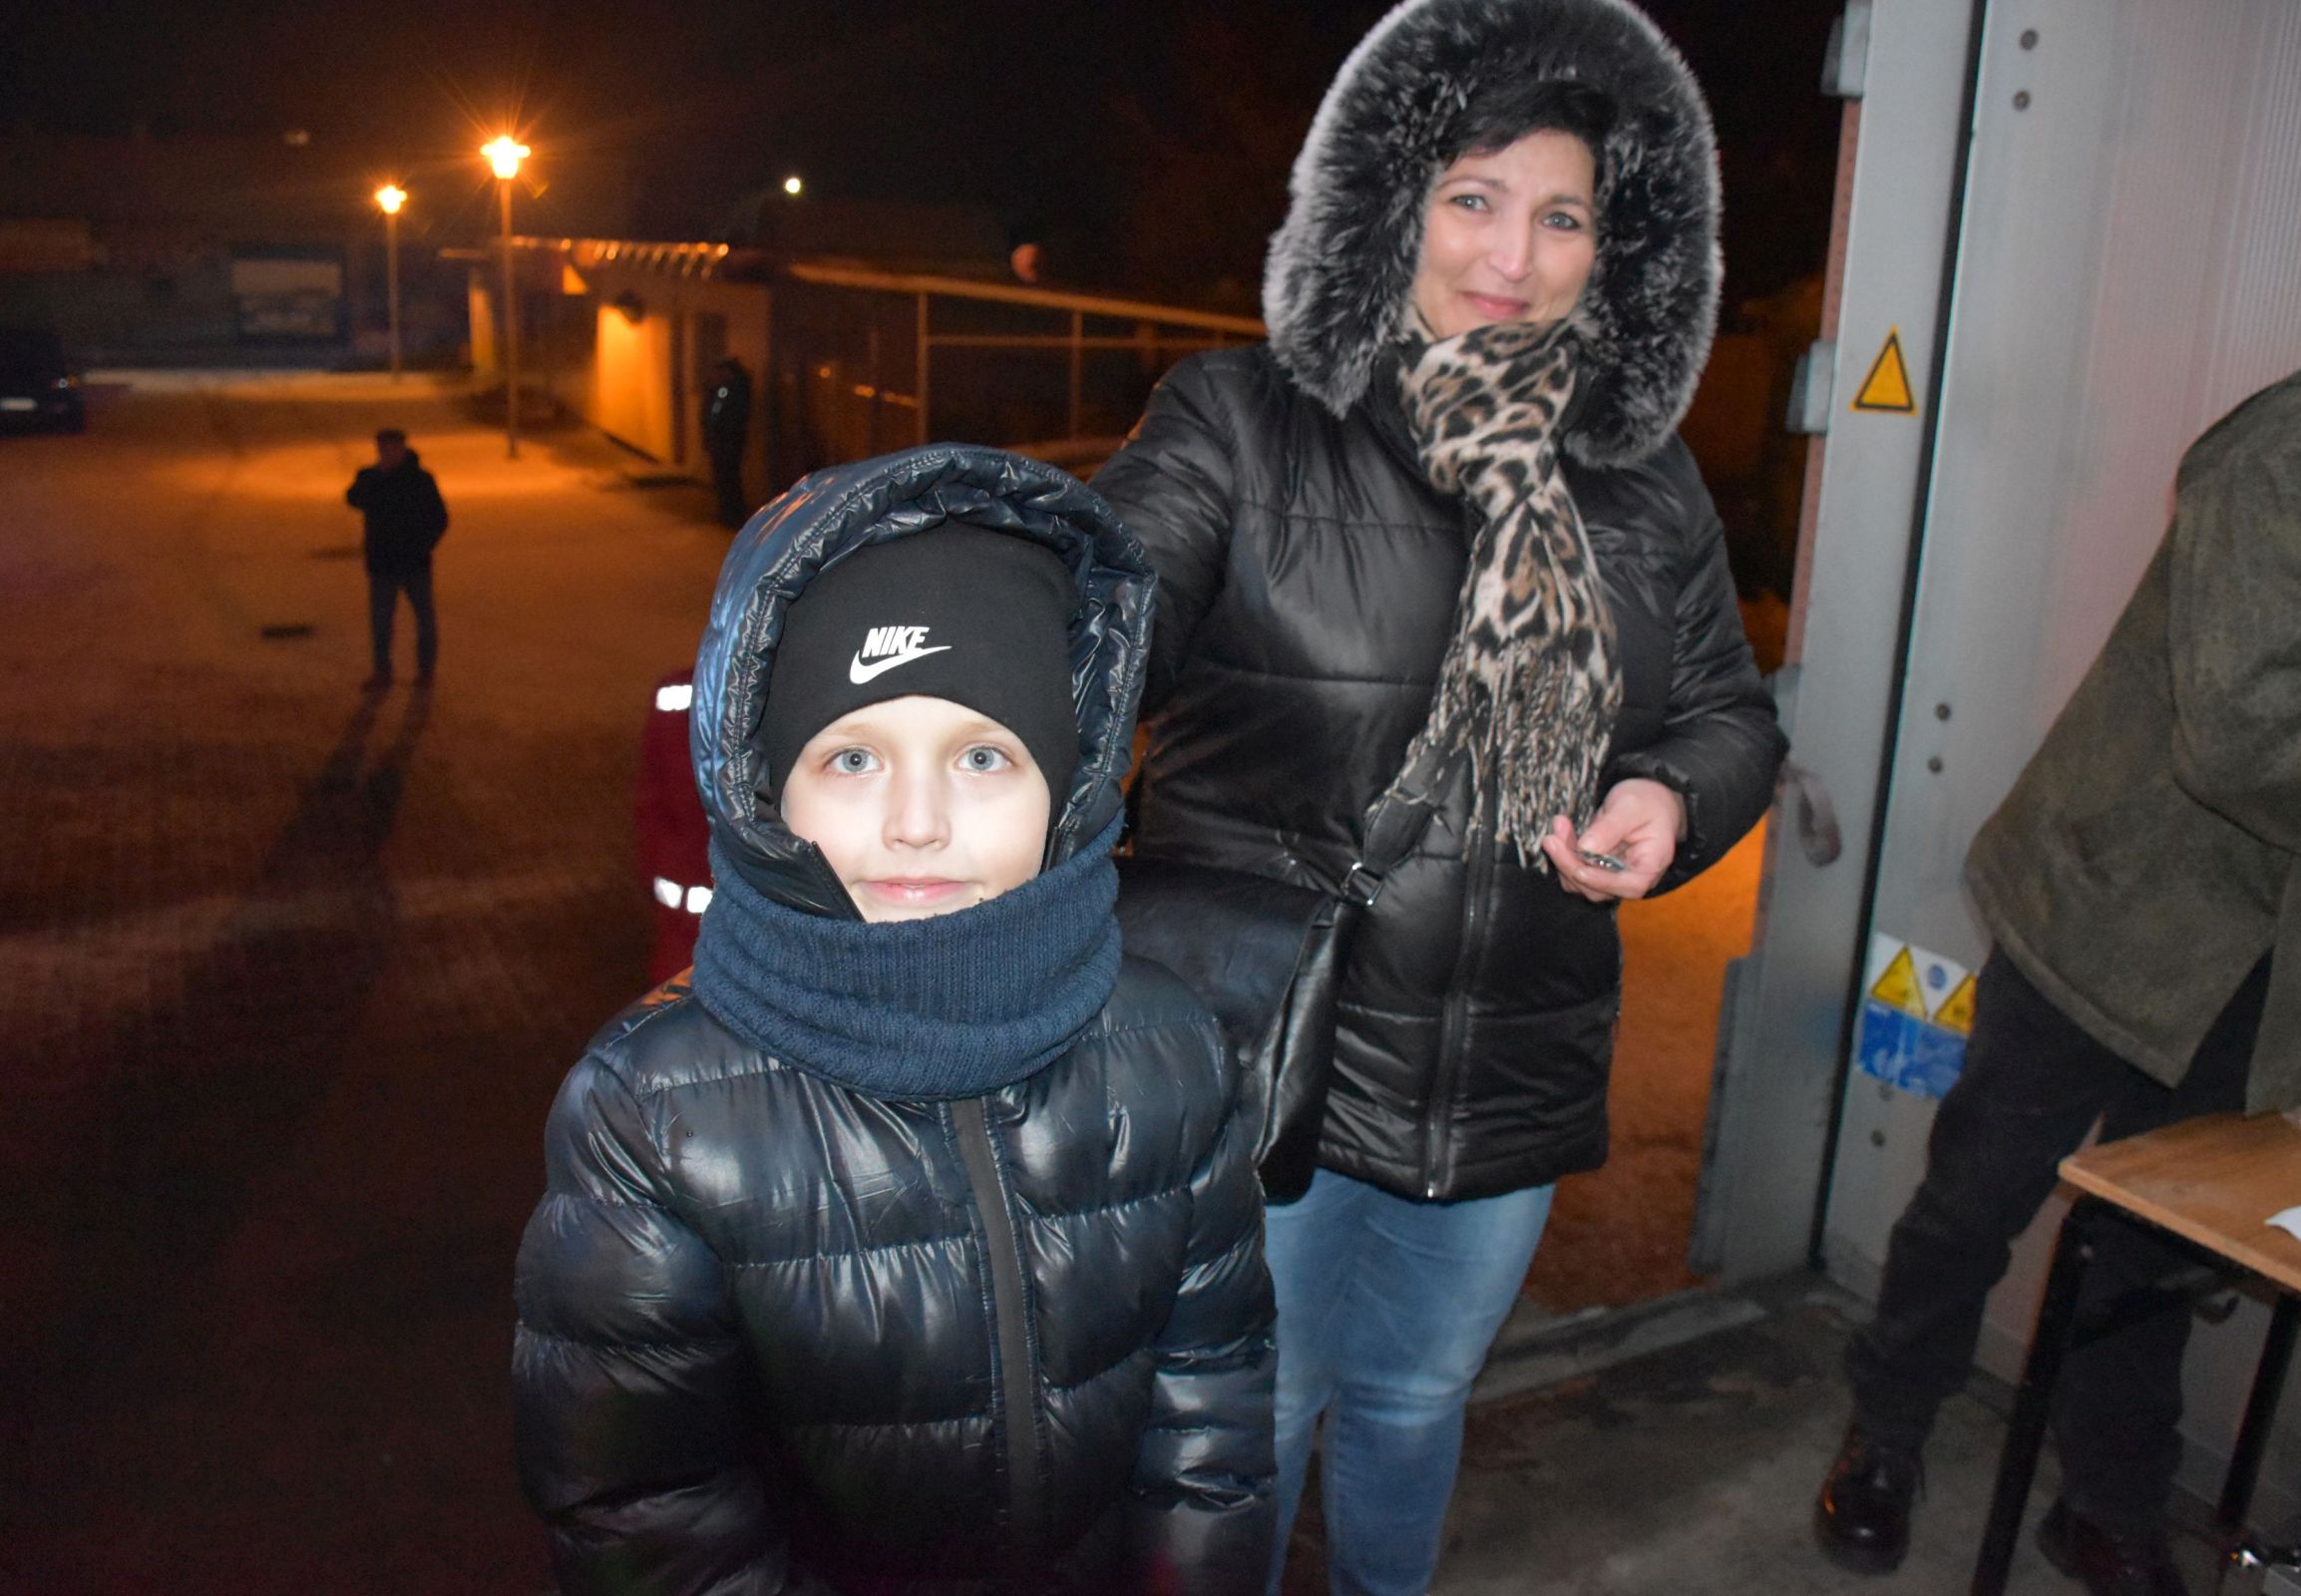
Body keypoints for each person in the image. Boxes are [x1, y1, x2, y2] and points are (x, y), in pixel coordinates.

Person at [1091, 2, 1786, 1590]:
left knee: (1415, 1401)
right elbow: (1086, 628)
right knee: (1251, 1416)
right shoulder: (1241, 425)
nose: (1514, 256)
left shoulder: (1644, 480)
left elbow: (1730, 713)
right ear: (1388, 201)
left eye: (1564, 216)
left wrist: (1674, 796)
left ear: (1618, 247)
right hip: (1271, 1066)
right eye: (1474, 197)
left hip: (1508, 1067)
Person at [512, 444, 1276, 1595]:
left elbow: (1211, 1413)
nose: (918, 820)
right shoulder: (650, 1116)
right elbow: (648, 1511)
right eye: (855, 755)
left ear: (1068, 787)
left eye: (984, 754)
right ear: (766, 786)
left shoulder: (1170, 1048)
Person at [1814, 344, 2301, 1596]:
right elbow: (2260, 735)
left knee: (2156, 1261)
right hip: (2112, 904)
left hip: (2279, 961)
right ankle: (1889, 1431)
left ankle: (2106, 1503)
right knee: (1977, 1198)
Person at [344, 426, 446, 687]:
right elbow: (353, 498)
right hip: (382, 562)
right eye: (382, 449)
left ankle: (426, 672)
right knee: (381, 622)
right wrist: (376, 477)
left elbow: (439, 517)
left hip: (414, 563)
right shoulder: (370, 476)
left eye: (391, 448)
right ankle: (382, 671)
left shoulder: (420, 480)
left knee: (424, 619)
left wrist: (423, 545)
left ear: (402, 449)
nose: (386, 454)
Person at [703, 355, 753, 528]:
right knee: (728, 477)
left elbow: (715, 412)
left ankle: (731, 514)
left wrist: (712, 431)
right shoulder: (735, 388)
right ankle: (730, 513)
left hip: (726, 441)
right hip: (728, 440)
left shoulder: (726, 390)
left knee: (727, 477)